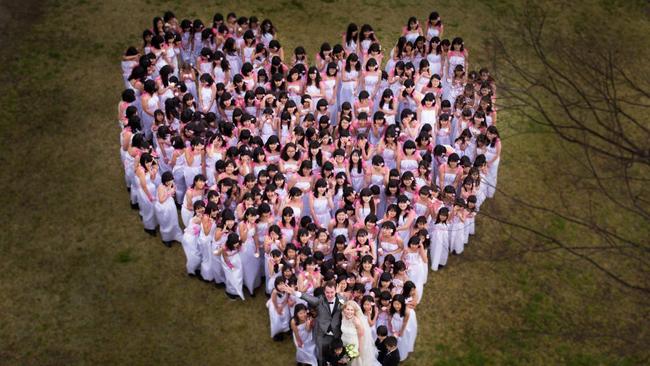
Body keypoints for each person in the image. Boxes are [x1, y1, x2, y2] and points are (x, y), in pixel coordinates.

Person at [279, 280, 345, 363]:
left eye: (332, 292)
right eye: (327, 292)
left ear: (335, 291)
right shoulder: (319, 300)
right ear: (324, 292)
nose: (330, 295)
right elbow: (307, 297)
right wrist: (294, 292)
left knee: (334, 353)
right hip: (321, 333)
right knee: (320, 354)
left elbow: (347, 310)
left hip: (336, 332)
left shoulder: (342, 300)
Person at [340, 301, 379, 366]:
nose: (349, 312)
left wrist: (359, 350)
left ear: (355, 311)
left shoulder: (356, 321)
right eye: (348, 309)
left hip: (354, 346)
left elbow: (361, 337)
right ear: (344, 309)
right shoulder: (343, 315)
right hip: (344, 343)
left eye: (352, 310)